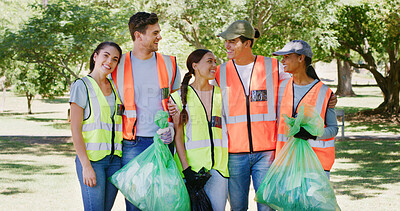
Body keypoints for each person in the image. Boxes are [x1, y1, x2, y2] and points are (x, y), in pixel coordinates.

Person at [215, 20, 337, 211]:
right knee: (237, 208)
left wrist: (328, 96)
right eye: (226, 41)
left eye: (232, 41)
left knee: (269, 207)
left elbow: (302, 84)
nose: (226, 45)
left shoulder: (273, 66)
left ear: (247, 43)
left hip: (268, 154)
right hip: (235, 153)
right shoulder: (220, 72)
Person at [110, 12, 181, 211]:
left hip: (163, 142)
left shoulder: (170, 64)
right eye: (155, 33)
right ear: (138, 35)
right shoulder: (117, 65)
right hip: (133, 145)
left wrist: (172, 129)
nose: (160, 37)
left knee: (164, 204)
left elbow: (175, 104)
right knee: (136, 205)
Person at [169, 49, 229, 211]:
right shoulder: (178, 98)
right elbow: (178, 138)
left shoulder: (222, 95)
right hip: (192, 171)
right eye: (209, 61)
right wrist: (187, 170)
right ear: (195, 66)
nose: (214, 65)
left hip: (218, 169)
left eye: (215, 62)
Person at [70, 41, 123, 211]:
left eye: (115, 59)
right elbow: (75, 130)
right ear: (95, 56)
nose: (109, 62)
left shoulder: (116, 88)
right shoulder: (82, 86)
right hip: (93, 162)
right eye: (105, 55)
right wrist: (86, 166)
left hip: (115, 161)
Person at [273, 40, 338, 179]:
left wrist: (312, 133)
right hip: (286, 165)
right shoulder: (281, 87)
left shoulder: (324, 92)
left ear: (301, 58)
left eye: (286, 57)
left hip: (316, 166)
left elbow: (333, 128)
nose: (282, 61)